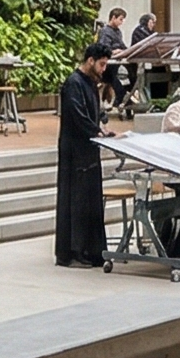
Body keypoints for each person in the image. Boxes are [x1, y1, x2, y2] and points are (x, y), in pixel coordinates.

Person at [55, 43, 123, 266]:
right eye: (102, 64)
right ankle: (73, 252)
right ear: (91, 60)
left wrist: (102, 129)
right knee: (76, 201)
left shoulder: (91, 84)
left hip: (89, 149)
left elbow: (93, 114)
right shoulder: (73, 83)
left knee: (90, 201)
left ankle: (92, 250)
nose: (104, 69)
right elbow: (77, 116)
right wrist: (96, 131)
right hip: (75, 151)